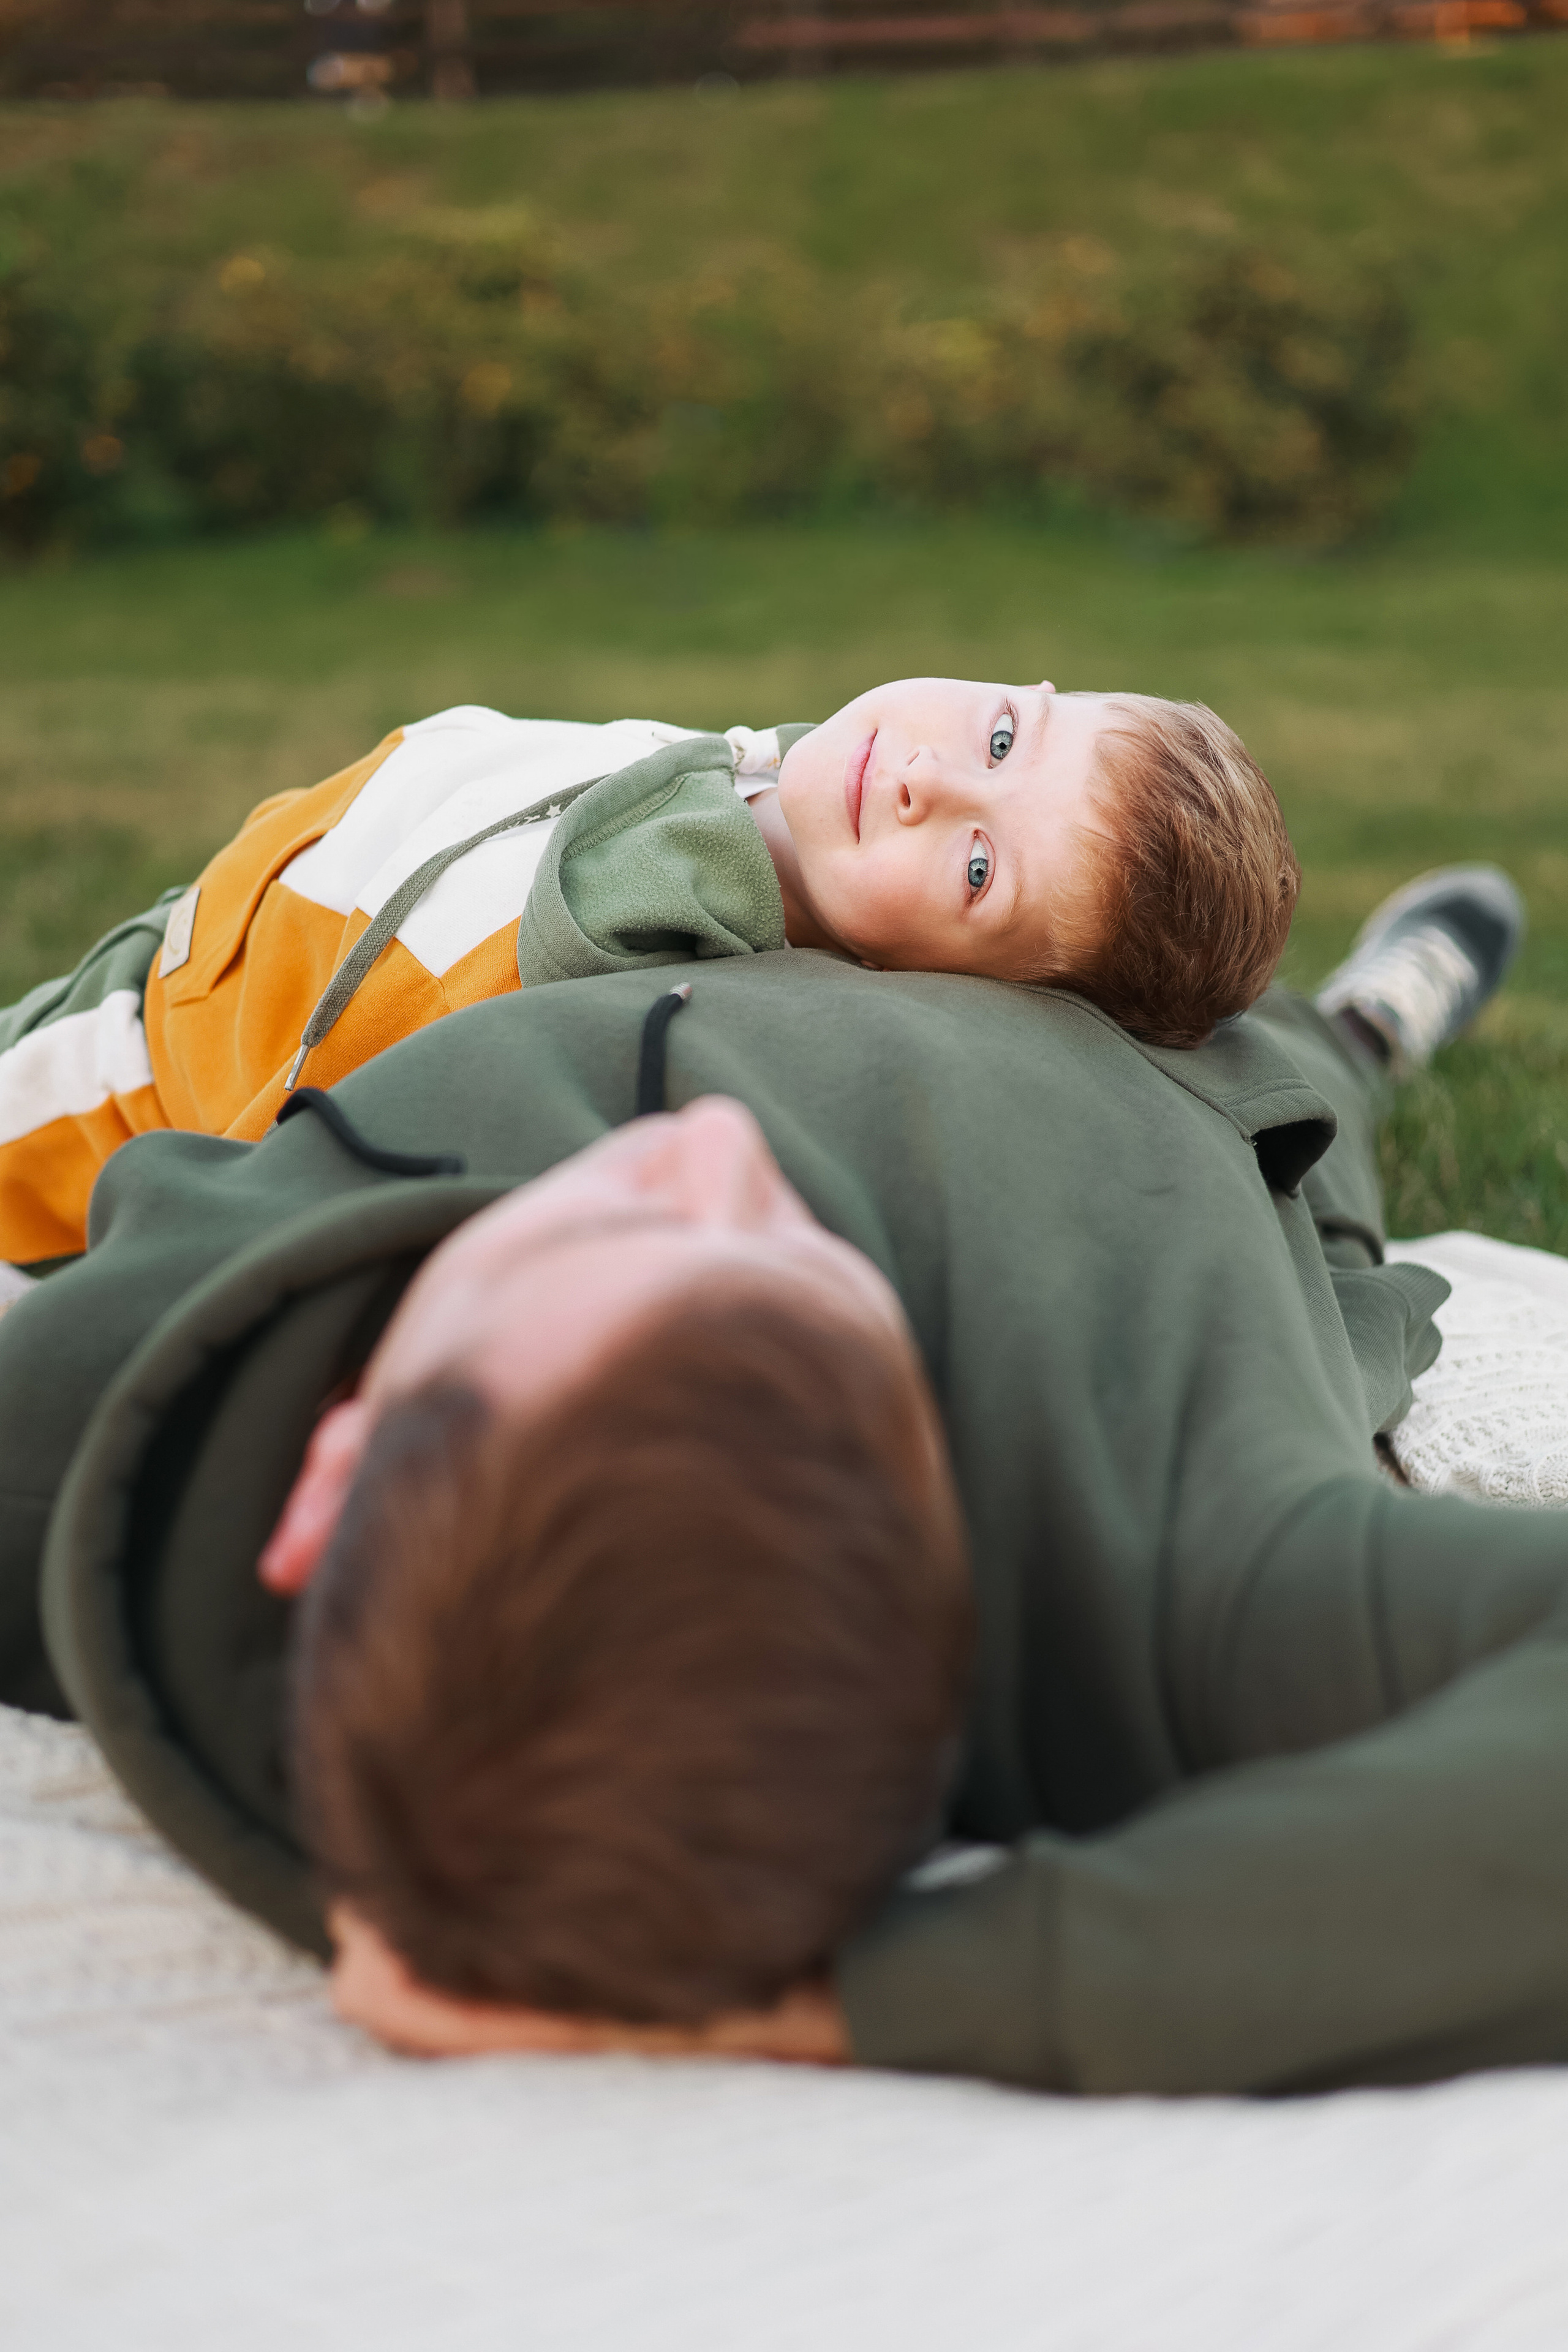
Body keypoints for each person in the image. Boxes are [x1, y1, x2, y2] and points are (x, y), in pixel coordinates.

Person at [9, 851, 1568, 2098]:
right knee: (1305, 1108)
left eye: (615, 1230)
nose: (719, 1154)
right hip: (1191, 1090)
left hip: (859, 898)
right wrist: (869, 1996)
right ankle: (1358, 1033)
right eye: (818, 1270)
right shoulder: (1187, 1583)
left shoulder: (83, 1438)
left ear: (324, 1483)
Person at [0, 677, 1295, 1267]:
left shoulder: (621, 953)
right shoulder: (781, 787)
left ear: (947, 992)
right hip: (217, 929)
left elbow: (279, 1166)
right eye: (1005, 734)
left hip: (145, 1066)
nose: (928, 777)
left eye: (974, 870)